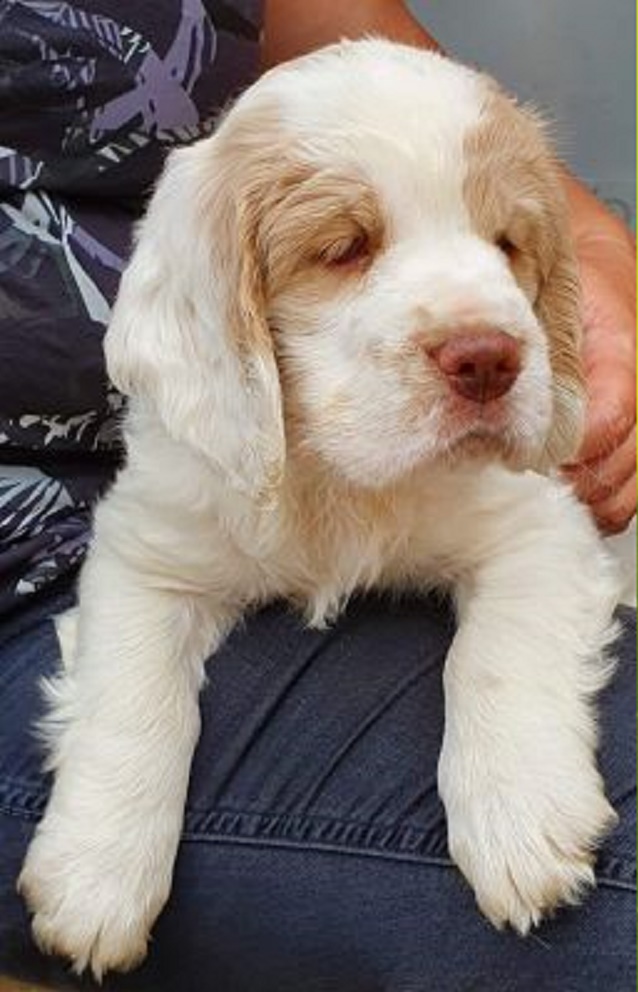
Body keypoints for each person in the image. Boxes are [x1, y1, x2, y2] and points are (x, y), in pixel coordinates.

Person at [0, 1, 634, 989]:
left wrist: (510, 735)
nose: (482, 330)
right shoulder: (202, 390)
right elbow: (151, 573)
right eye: (345, 248)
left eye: (504, 243)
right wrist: (117, 795)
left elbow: (532, 542)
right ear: (221, 314)